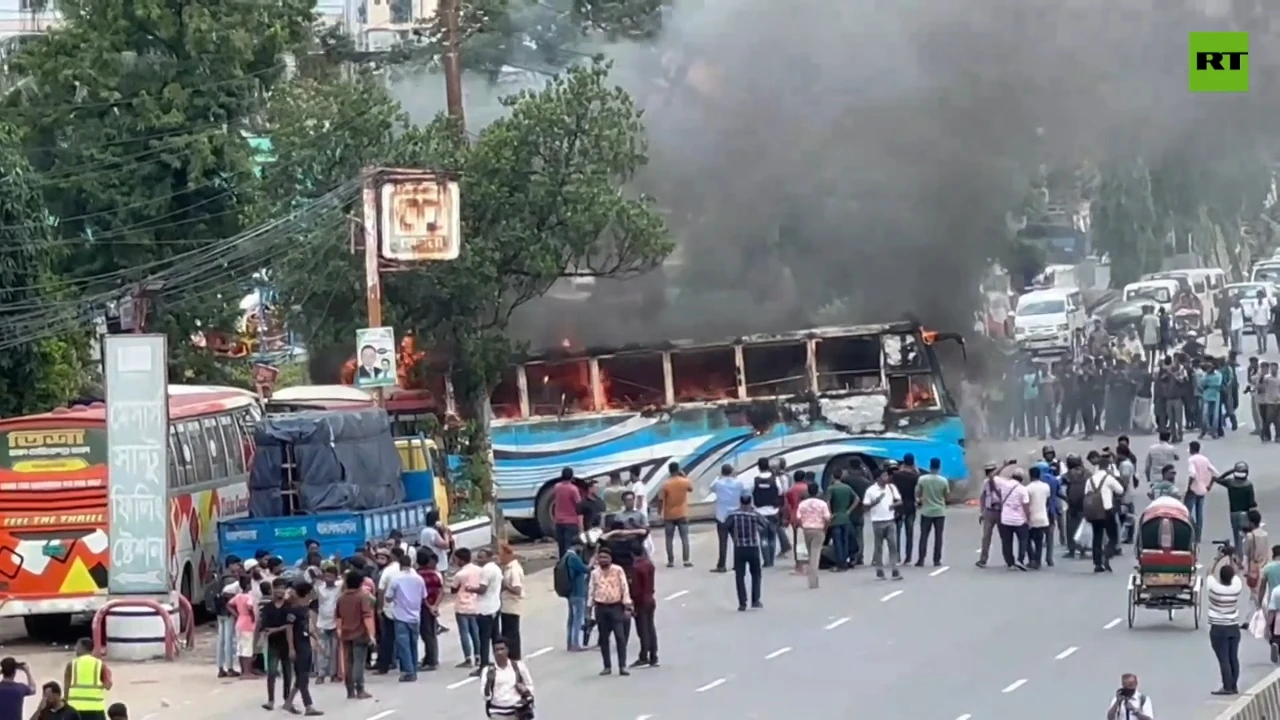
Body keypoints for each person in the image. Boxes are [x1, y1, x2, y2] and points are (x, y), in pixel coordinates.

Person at [587, 547, 633, 676]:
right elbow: (591, 590)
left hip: (616, 607)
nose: (603, 560)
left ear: (610, 559)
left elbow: (624, 587)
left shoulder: (618, 570)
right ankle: (607, 666)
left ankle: (622, 666)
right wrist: (589, 610)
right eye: (600, 557)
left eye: (605, 557)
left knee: (620, 637)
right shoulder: (595, 573)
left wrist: (627, 606)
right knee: (603, 639)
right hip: (601, 608)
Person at [384, 553, 426, 682]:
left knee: (403, 645)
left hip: (401, 615)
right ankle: (412, 667)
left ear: (400, 566)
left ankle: (408, 671)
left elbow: (388, 597)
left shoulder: (396, 579)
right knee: (413, 644)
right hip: (415, 615)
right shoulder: (419, 579)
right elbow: (424, 596)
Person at [282, 581, 321, 715]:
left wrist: (316, 639)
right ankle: (308, 706)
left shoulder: (305, 609)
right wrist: (291, 648)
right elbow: (289, 629)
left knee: (301, 677)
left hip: (305, 643)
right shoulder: (294, 610)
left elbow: (307, 627)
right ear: (309, 593)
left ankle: (288, 702)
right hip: (299, 645)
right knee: (303, 677)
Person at [724, 494, 768, 609]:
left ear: (740, 502)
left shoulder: (733, 515)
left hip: (739, 548)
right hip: (753, 547)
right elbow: (765, 524)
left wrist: (734, 535)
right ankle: (755, 600)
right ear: (750, 502)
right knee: (756, 575)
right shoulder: (754, 514)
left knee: (740, 576)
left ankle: (742, 603)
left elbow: (726, 525)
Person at [1207, 562, 1244, 696]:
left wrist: (1217, 559)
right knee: (1233, 658)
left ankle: (1227, 686)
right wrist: (1232, 559)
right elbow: (1236, 574)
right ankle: (1233, 685)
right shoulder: (1236, 588)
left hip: (1218, 628)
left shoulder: (1214, 590)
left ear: (1221, 577)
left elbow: (1209, 573)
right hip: (1233, 627)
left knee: (1224, 659)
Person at [1084, 456, 1125, 572]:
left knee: (1097, 536)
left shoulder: (1090, 479)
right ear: (1107, 467)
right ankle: (1106, 556)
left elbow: (1086, 494)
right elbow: (1120, 490)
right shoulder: (1108, 478)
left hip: (1094, 511)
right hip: (1107, 510)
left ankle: (1097, 563)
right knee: (1113, 537)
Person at [468, 549, 505, 676]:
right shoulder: (496, 569)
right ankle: (500, 663)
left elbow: (482, 589)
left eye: (481, 557)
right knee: (495, 638)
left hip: (485, 609)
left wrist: (470, 589)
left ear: (489, 557)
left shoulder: (486, 570)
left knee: (484, 639)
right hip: (495, 606)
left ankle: (483, 666)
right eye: (478, 556)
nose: (479, 559)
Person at [863, 466, 903, 581]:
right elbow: (865, 507)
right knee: (879, 546)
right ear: (878, 478)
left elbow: (899, 500)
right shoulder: (871, 491)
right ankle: (879, 568)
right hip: (877, 521)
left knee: (893, 545)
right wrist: (874, 502)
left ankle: (894, 569)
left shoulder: (891, 487)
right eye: (884, 476)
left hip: (890, 520)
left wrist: (893, 505)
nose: (886, 478)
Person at [481, 637, 534, 719]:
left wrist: (526, 695)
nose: (499, 652)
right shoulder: (488, 671)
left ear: (507, 650)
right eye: (497, 650)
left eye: (502, 649)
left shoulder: (518, 666)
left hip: (517, 711)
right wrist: (489, 681)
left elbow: (529, 684)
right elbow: (486, 696)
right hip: (497, 712)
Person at [656, 462, 694, 568]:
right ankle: (686, 560)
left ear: (669, 470)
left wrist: (659, 513)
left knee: (669, 538)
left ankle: (671, 561)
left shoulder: (665, 484)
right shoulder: (685, 482)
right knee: (684, 538)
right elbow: (691, 489)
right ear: (678, 469)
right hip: (682, 514)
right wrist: (684, 476)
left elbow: (660, 500)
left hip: (669, 515)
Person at [450, 548, 483, 669]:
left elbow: (453, 589)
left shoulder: (460, 574)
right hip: (475, 604)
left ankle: (468, 658)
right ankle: (479, 656)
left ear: (461, 560)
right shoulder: (479, 570)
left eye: (456, 559)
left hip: (462, 606)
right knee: (475, 632)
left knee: (464, 633)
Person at [556, 540, 591, 652]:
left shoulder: (565, 557)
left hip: (570, 592)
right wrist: (592, 562)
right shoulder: (573, 558)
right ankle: (575, 643)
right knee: (577, 619)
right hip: (577, 592)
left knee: (571, 619)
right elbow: (586, 569)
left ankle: (570, 643)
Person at [914, 457, 949, 567]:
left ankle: (921, 559)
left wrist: (920, 500)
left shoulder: (922, 479)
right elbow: (946, 496)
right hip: (939, 512)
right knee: (938, 536)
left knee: (924, 536)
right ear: (939, 467)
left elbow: (918, 493)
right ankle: (936, 560)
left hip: (926, 511)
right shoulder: (943, 481)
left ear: (930, 466)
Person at [64, 638, 110, 720]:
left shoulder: (71, 664)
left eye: (77, 646)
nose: (75, 649)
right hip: (96, 709)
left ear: (83, 648)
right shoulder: (100, 664)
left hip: (75, 708)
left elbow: (66, 688)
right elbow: (108, 686)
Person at [750, 459, 784, 567]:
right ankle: (772, 559)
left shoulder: (754, 480)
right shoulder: (776, 479)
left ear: (758, 467)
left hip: (759, 513)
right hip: (774, 511)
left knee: (763, 537)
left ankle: (767, 561)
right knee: (772, 536)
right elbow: (781, 492)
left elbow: (750, 493)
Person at [796, 481, 831, 588]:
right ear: (818, 492)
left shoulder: (803, 504)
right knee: (815, 556)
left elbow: (798, 518)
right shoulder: (822, 504)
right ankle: (813, 582)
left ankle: (812, 580)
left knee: (811, 554)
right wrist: (825, 528)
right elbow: (827, 518)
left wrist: (802, 525)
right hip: (818, 530)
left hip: (807, 529)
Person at [710, 464, 742, 573]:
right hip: (735, 515)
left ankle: (721, 565)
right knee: (737, 541)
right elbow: (745, 492)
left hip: (722, 516)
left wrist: (720, 477)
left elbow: (711, 488)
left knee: (722, 542)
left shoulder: (718, 484)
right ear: (731, 471)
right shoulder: (738, 483)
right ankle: (738, 564)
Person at [629, 552, 659, 667]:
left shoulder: (636, 567)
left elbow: (636, 589)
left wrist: (632, 602)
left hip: (641, 602)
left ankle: (643, 656)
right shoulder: (649, 565)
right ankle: (653, 655)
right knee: (650, 628)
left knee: (642, 630)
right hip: (650, 599)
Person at [498, 544, 526, 660]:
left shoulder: (513, 570)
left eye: (501, 556)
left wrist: (505, 585)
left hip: (512, 605)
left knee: (511, 633)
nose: (500, 559)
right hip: (506, 605)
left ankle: (514, 656)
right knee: (507, 632)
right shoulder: (507, 568)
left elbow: (517, 589)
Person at [417, 549, 443, 670]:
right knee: (432, 633)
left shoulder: (417, 575)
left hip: (423, 607)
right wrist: (435, 606)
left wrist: (428, 606)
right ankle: (431, 657)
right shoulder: (436, 574)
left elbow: (422, 595)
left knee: (426, 634)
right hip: (433, 606)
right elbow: (442, 591)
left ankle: (431, 661)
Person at [824, 470, 856, 571]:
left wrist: (829, 514)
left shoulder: (831, 488)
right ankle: (845, 562)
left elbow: (828, 502)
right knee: (845, 541)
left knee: (837, 542)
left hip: (836, 518)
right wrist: (849, 510)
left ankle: (839, 564)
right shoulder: (847, 487)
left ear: (833, 476)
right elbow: (857, 499)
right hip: (845, 518)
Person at [550, 468, 583, 558]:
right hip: (571, 522)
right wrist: (581, 525)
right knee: (570, 547)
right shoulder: (573, 489)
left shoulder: (557, 487)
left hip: (559, 521)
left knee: (561, 546)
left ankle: (562, 565)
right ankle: (568, 566)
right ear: (571, 476)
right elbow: (579, 505)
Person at [1025, 466, 1052, 569]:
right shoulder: (1046, 487)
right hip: (1043, 517)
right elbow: (1048, 501)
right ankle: (1038, 561)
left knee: (1027, 539)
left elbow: (1026, 503)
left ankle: (1032, 558)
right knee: (1039, 541)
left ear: (1030, 475)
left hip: (1032, 517)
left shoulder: (1027, 488)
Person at [0, 656, 36, 720]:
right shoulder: (20, 688)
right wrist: (27, 672)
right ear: (14, 672)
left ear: (2, 672)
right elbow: (33, 689)